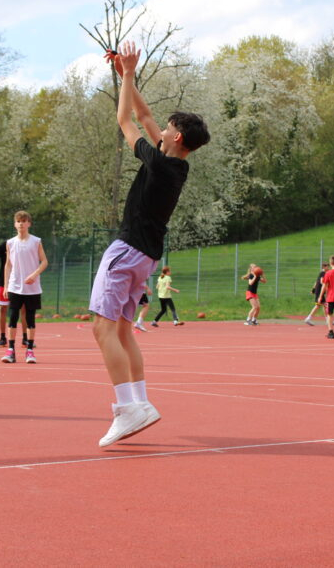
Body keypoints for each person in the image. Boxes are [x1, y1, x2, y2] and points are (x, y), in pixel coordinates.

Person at [89, 41, 210, 447]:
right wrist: (125, 74)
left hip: (126, 251)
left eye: (168, 126)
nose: (162, 127)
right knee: (124, 331)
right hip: (146, 257)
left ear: (176, 136)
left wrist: (127, 74)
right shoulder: (177, 165)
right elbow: (143, 114)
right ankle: (140, 402)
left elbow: (125, 119)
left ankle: (127, 409)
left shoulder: (158, 164)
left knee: (102, 328)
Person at [1, 211, 48, 364]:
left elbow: (44, 262)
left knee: (30, 318)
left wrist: (34, 275)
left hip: (32, 288)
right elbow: (8, 265)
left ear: (29, 224)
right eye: (18, 221)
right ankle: (10, 350)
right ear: (15, 224)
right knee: (13, 317)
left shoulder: (36, 241)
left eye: (24, 221)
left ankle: (30, 351)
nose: (21, 223)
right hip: (15, 286)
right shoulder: (10, 243)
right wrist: (6, 286)